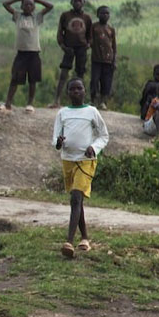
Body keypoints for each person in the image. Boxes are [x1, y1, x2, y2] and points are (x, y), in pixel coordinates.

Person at [52, 77, 109, 258]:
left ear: (85, 91)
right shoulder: (62, 113)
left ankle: (69, 242)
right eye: (72, 89)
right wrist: (58, 143)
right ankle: (85, 238)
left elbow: (104, 136)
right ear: (68, 93)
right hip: (68, 160)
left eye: (79, 88)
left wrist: (95, 147)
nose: (76, 92)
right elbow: (55, 138)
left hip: (86, 160)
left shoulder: (92, 111)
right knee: (78, 200)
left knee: (76, 198)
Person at [1, 0, 54, 113]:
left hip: (34, 53)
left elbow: (50, 6)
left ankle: (30, 104)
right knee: (15, 78)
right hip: (21, 53)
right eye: (26, 4)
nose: (28, 6)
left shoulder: (37, 18)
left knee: (32, 80)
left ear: (34, 7)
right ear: (21, 6)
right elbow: (5, 4)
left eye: (31, 4)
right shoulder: (18, 16)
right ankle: (8, 103)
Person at [53, 0, 92, 108]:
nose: (77, 3)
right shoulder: (65, 15)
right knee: (63, 73)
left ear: (84, 2)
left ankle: (80, 101)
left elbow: (90, 35)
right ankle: (57, 100)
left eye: (80, 1)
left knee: (80, 75)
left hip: (82, 49)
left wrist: (88, 45)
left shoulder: (87, 18)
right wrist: (63, 46)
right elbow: (60, 32)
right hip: (68, 48)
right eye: (75, 1)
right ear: (71, 2)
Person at [89, 5, 116, 110]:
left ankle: (103, 102)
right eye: (102, 13)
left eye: (107, 13)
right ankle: (93, 100)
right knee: (94, 80)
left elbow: (114, 46)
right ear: (97, 14)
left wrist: (114, 61)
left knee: (106, 82)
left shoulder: (111, 29)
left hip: (108, 60)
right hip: (96, 59)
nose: (105, 15)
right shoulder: (94, 27)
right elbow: (90, 40)